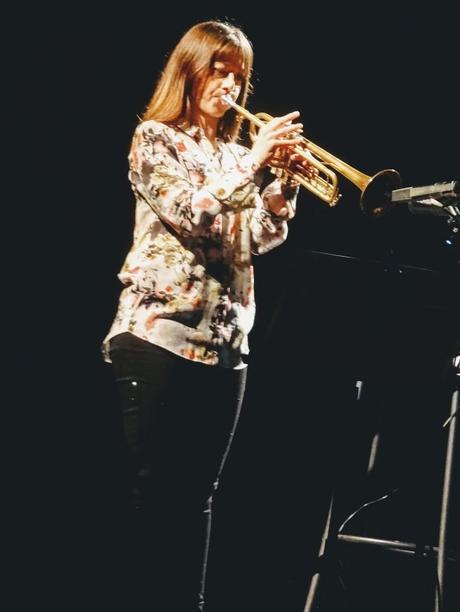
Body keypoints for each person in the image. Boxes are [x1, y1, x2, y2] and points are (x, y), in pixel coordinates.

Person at [101, 19, 312, 612]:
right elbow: (190, 211)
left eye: (239, 74)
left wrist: (281, 186)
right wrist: (253, 166)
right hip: (158, 334)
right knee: (151, 497)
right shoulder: (155, 139)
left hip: (225, 345)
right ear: (191, 70)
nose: (231, 83)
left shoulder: (234, 153)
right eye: (219, 68)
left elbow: (256, 237)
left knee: (199, 499)